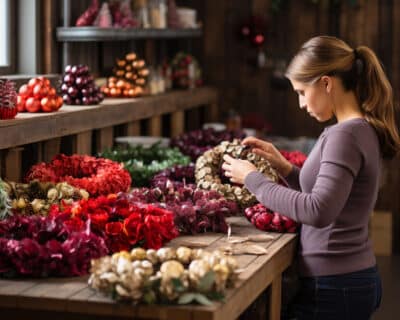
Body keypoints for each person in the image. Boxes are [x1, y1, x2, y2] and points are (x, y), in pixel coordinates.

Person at [222, 35, 400, 319]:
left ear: (327, 83)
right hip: (346, 280)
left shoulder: (346, 135)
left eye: (302, 92)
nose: (301, 104)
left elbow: (318, 211)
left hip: (335, 287)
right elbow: (333, 195)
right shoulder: (359, 129)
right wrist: (284, 168)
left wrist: (253, 179)